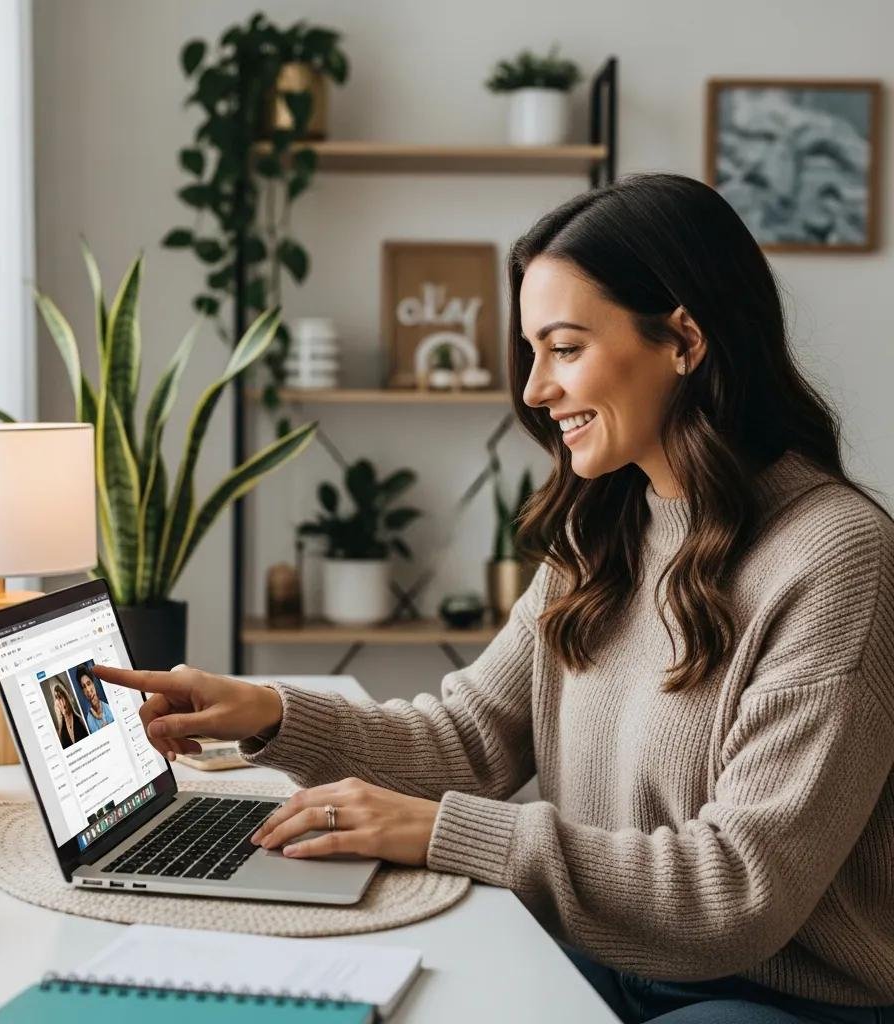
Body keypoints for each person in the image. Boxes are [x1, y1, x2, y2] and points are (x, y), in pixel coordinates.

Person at [94, 173, 894, 1023]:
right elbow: (468, 740)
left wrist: (440, 832)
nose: (535, 391)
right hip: (610, 962)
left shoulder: (837, 558)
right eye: (533, 352)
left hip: (779, 1001)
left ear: (683, 340)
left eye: (566, 347)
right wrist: (266, 712)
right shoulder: (602, 532)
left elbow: (733, 892)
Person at [76, 665, 114, 734]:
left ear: (93, 683)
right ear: (83, 692)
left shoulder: (109, 706)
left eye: (89, 683)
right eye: (84, 687)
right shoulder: (89, 719)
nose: (88, 690)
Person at [51, 679, 87, 749]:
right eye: (57, 698)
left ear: (66, 697)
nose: (60, 702)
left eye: (60, 697)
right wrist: (60, 721)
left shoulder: (80, 719)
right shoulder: (60, 730)